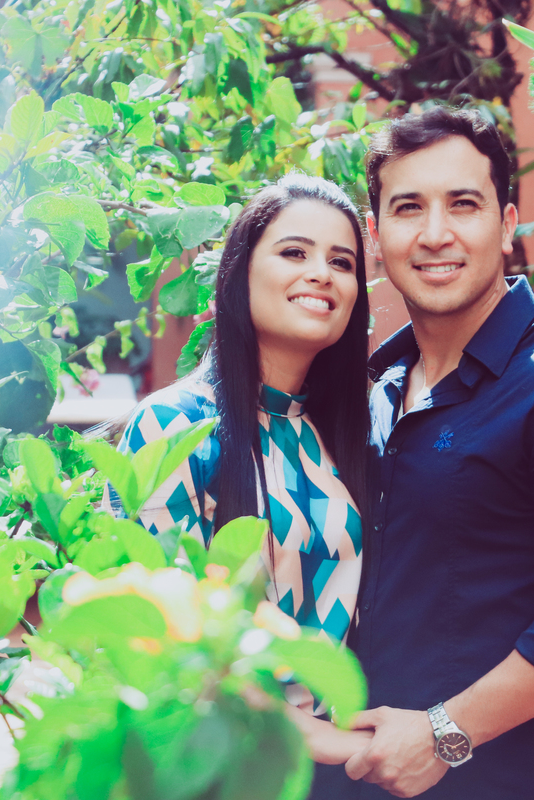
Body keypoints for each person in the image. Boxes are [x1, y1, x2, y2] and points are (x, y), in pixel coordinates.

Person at [310, 108, 534, 799]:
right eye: (408, 208)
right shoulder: (379, 389)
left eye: (463, 204)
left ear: (506, 226)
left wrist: (445, 734)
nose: (435, 233)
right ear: (376, 237)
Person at [108, 174, 374, 763]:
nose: (322, 274)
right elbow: (168, 630)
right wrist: (325, 743)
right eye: (294, 252)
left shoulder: (346, 435)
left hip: (334, 770)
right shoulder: (174, 425)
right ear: (239, 273)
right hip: (217, 764)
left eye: (342, 262)